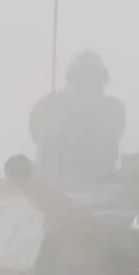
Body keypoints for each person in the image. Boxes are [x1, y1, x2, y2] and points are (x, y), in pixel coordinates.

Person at [28, 51, 126, 185]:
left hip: (97, 182)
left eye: (93, 80)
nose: (88, 84)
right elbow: (36, 134)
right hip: (56, 182)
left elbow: (35, 133)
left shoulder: (114, 108)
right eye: (85, 79)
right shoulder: (49, 104)